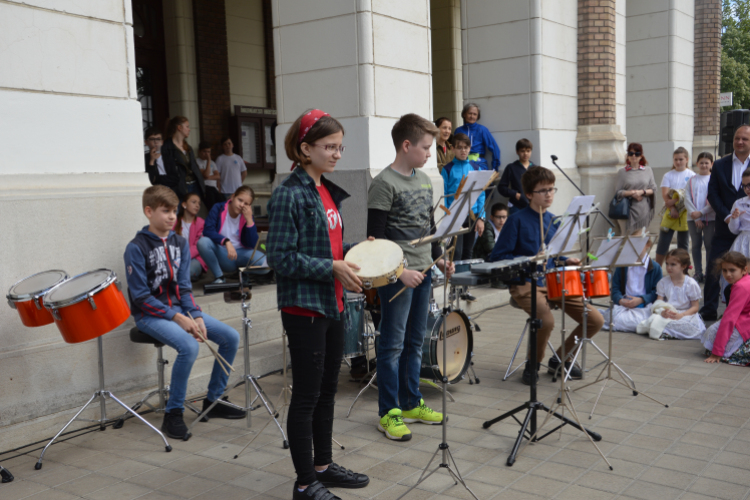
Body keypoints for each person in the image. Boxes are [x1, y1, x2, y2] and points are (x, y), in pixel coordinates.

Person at [266, 109, 370, 499]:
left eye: (340, 146)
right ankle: (305, 482)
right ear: (305, 148)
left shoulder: (325, 190)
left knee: (328, 390)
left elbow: (329, 247)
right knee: (307, 396)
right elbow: (279, 258)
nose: (337, 153)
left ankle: (323, 466)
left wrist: (357, 253)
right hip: (304, 310)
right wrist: (331, 266)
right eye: (329, 146)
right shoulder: (288, 195)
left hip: (333, 304)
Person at [124, 186, 244, 440]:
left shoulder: (179, 242)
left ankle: (214, 401)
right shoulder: (136, 247)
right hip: (150, 315)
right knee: (189, 347)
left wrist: (196, 315)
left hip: (180, 309)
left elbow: (185, 287)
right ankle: (173, 413)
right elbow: (140, 297)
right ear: (149, 211)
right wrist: (178, 318)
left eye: (174, 211)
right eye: (165, 211)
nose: (171, 216)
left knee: (230, 337)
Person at [368, 113, 454, 442]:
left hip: (424, 273)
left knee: (416, 343)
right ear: (407, 146)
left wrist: (440, 259)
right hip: (397, 278)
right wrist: (401, 273)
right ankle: (388, 413)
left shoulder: (423, 180)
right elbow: (373, 242)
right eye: (426, 147)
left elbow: (428, 230)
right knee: (391, 345)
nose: (431, 153)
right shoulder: (383, 183)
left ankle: (410, 403)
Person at [489, 166, 604, 384]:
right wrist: (529, 260)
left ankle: (561, 359)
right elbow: (498, 257)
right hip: (525, 282)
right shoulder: (516, 220)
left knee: (595, 319)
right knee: (546, 321)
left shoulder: (555, 221)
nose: (549, 194)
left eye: (552, 189)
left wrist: (565, 260)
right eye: (543, 190)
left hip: (553, 281)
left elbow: (555, 255)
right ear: (530, 194)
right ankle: (533, 364)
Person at [701, 125, 750, 321]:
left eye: (744, 139)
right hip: (724, 226)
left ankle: (742, 311)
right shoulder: (720, 165)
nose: (739, 142)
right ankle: (709, 309)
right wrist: (727, 216)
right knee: (715, 266)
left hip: (747, 231)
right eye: (737, 138)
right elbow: (712, 193)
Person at [197, 185, 269, 284]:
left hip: (242, 253)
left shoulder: (247, 216)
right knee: (202, 242)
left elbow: (252, 244)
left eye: (246, 204)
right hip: (224, 254)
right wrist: (226, 241)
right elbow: (208, 230)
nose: (241, 205)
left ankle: (243, 273)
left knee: (266, 265)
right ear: (233, 196)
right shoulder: (218, 208)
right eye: (240, 200)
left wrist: (249, 221)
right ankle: (220, 277)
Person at [441, 132, 486, 263]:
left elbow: (481, 194)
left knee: (468, 252)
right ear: (453, 148)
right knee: (456, 251)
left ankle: (464, 283)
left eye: (466, 147)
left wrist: (481, 217)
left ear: (469, 148)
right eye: (459, 147)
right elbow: (444, 195)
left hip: (472, 216)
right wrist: (446, 217)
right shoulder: (447, 169)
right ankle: (455, 282)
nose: (463, 150)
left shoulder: (476, 167)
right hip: (454, 216)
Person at [600, 238, 662, 332]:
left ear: (648, 245)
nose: (635, 247)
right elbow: (615, 288)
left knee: (645, 321)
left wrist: (641, 299)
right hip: (623, 306)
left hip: (644, 306)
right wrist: (620, 300)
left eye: (639, 244)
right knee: (610, 318)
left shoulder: (655, 267)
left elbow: (658, 293)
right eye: (632, 244)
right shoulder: (622, 265)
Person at [702, 252, 750, 365]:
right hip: (744, 318)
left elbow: (729, 319)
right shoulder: (745, 280)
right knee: (713, 331)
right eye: (724, 270)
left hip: (745, 322)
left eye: (732, 270)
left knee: (715, 337)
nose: (728, 274)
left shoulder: (740, 286)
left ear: (744, 270)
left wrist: (717, 352)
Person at [652, 249, 705, 340]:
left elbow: (695, 307)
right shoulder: (663, 282)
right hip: (669, 312)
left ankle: (668, 333)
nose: (669, 267)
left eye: (673, 264)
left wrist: (682, 315)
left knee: (690, 327)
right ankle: (669, 332)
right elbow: (659, 302)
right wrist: (662, 312)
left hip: (686, 314)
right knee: (655, 320)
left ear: (684, 266)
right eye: (667, 264)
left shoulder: (691, 284)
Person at [655, 147, 695, 265]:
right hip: (669, 212)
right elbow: (665, 194)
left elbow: (691, 194)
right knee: (663, 241)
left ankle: (684, 268)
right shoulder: (668, 175)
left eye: (681, 159)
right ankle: (657, 268)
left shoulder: (692, 175)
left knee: (683, 243)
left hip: (685, 212)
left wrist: (676, 200)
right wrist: (672, 207)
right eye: (676, 159)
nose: (678, 162)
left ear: (687, 159)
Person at [613, 142, 657, 236]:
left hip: (643, 210)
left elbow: (653, 189)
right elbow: (618, 192)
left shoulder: (648, 170)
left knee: (640, 239)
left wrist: (641, 192)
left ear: (641, 156)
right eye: (631, 153)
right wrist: (632, 193)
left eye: (637, 154)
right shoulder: (622, 172)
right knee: (626, 239)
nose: (634, 156)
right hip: (626, 211)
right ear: (627, 156)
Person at [685, 152, 715, 283]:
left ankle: (709, 272)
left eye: (706, 162)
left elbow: (714, 200)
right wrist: (696, 217)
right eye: (701, 162)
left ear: (711, 164)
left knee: (709, 244)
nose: (703, 165)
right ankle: (698, 272)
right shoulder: (692, 180)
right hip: (693, 218)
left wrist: (702, 213)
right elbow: (687, 199)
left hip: (710, 217)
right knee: (696, 244)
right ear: (697, 164)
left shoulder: (714, 179)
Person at [160, 116, 206, 201]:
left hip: (195, 185)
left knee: (194, 212)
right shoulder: (166, 147)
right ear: (179, 128)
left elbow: (194, 168)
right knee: (180, 212)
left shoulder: (188, 147)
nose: (189, 129)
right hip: (180, 188)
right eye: (187, 126)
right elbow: (167, 170)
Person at [454, 103, 501, 172]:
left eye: (475, 114)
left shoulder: (482, 130)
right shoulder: (458, 130)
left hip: (479, 163)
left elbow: (495, 149)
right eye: (470, 113)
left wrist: (495, 168)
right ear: (464, 114)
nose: (472, 116)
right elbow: (453, 149)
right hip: (461, 163)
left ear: (478, 116)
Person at [174, 193, 207, 281]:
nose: (197, 206)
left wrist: (183, 256)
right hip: (176, 257)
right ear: (184, 204)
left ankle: (195, 273)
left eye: (199, 204)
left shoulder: (201, 223)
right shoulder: (174, 221)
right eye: (194, 202)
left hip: (195, 258)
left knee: (187, 272)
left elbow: (198, 246)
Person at [498, 139, 534, 215]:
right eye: (522, 151)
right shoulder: (511, 167)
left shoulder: (535, 168)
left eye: (528, 151)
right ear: (517, 152)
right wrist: (515, 194)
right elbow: (501, 187)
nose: (525, 154)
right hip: (516, 206)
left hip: (532, 206)